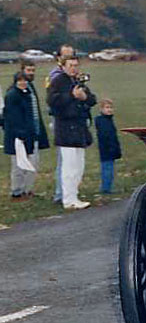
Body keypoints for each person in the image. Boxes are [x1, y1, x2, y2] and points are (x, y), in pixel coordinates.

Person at [47, 56, 97, 210]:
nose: (74, 68)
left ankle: (75, 194)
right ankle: (68, 199)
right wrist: (71, 96)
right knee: (69, 167)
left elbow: (92, 99)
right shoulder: (58, 82)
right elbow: (52, 102)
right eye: (71, 65)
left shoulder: (77, 81)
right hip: (66, 129)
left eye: (76, 65)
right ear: (63, 66)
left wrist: (85, 97)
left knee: (79, 165)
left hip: (79, 128)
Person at [3, 72, 49, 200]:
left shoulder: (27, 94)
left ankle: (27, 190)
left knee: (32, 163)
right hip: (18, 137)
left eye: (25, 81)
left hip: (31, 135)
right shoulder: (12, 95)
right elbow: (11, 118)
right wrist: (20, 134)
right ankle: (16, 192)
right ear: (15, 82)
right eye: (20, 81)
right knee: (18, 165)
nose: (23, 83)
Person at [47, 43, 75, 204]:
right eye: (66, 56)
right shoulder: (56, 76)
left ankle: (69, 190)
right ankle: (60, 192)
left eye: (72, 55)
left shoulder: (71, 75)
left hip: (73, 118)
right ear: (59, 58)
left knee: (72, 159)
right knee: (64, 157)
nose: (69, 59)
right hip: (62, 119)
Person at [95, 98, 122, 194]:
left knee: (110, 168)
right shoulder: (102, 121)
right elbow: (105, 135)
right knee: (107, 169)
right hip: (106, 149)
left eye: (111, 107)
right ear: (101, 109)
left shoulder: (109, 120)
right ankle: (106, 188)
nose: (109, 110)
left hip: (111, 148)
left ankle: (108, 186)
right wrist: (111, 147)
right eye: (107, 107)